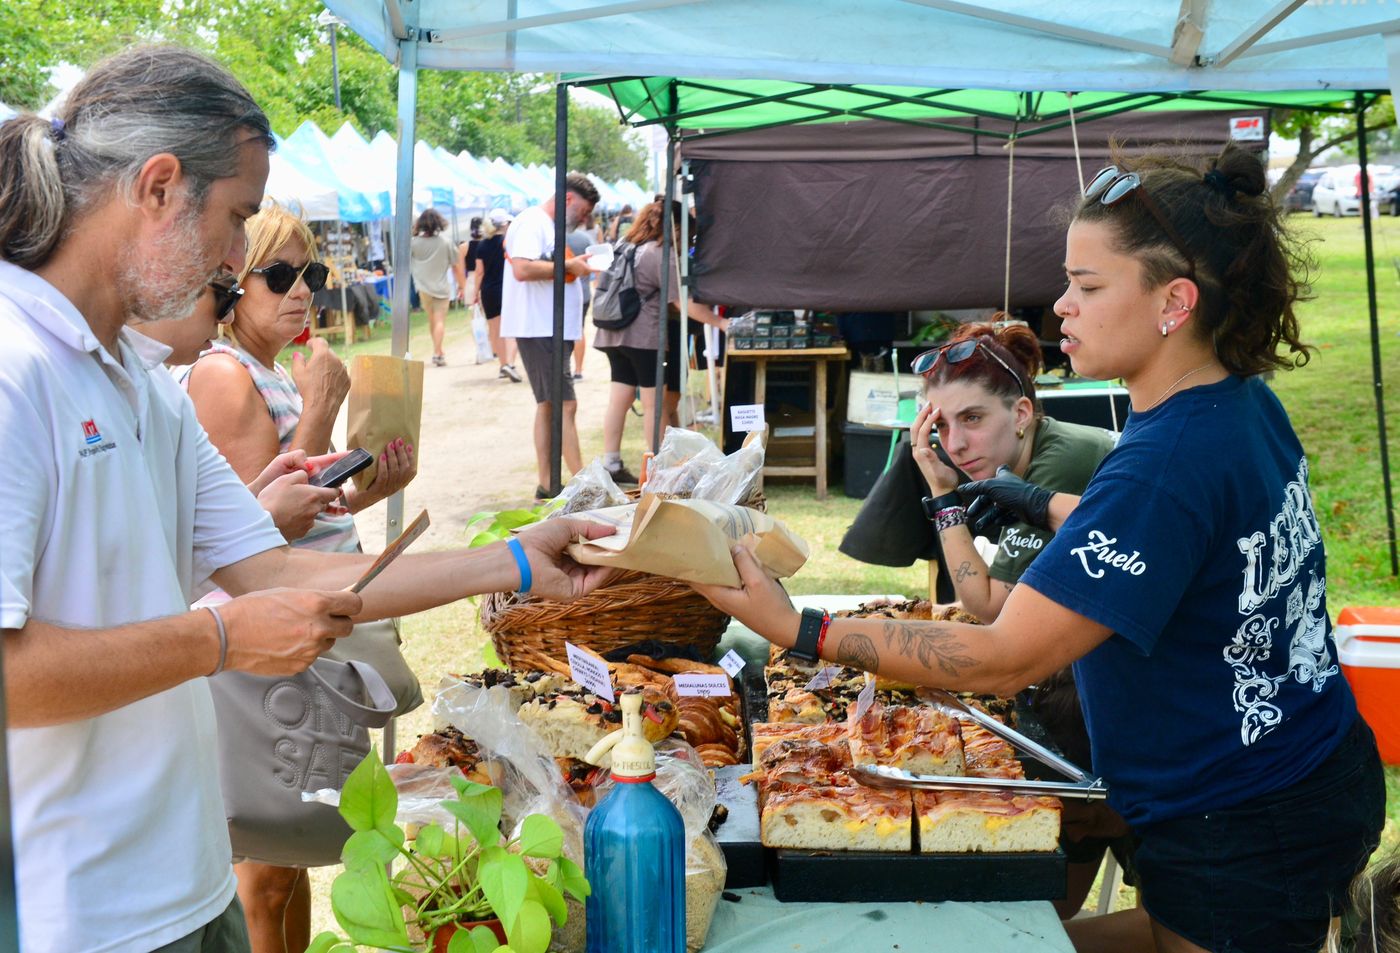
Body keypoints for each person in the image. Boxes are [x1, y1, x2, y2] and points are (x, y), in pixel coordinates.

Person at [694, 143, 1385, 953]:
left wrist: (800, 628)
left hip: (1245, 817)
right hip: (1306, 764)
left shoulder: (1164, 465)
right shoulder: (1239, 403)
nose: (1061, 306)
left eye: (1087, 286)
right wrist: (1030, 499)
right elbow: (1170, 535)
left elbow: (1001, 654)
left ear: (1175, 302)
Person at [0, 44, 614, 953]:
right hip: (75, 912)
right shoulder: (17, 370)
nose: (229, 258)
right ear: (160, 186)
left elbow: (276, 562)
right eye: (237, 216)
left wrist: (521, 556)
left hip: (186, 873)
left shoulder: (138, 379)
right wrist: (217, 639)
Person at [180, 204, 421, 953]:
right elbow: (253, 530)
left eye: (310, 274)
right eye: (278, 275)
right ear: (232, 285)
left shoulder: (272, 370)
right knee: (268, 861)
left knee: (307, 838)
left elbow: (311, 504)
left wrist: (371, 483)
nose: (301, 291)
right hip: (264, 642)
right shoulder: (224, 374)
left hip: (309, 625)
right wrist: (320, 409)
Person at [907, 319, 1127, 916]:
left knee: (1078, 902)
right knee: (1051, 901)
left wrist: (941, 494)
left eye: (973, 419)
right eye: (940, 426)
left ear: (1023, 413)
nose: (954, 445)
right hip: (1098, 682)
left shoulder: (1063, 461)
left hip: (1137, 706)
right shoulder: (1026, 461)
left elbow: (988, 602)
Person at [593, 200, 726, 484]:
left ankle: (612, 463)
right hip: (643, 337)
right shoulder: (660, 254)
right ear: (675, 227)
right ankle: (661, 471)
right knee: (655, 405)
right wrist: (722, 323)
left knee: (619, 399)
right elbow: (683, 303)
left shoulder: (623, 246)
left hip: (612, 333)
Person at [501, 173, 599, 498]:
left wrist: (573, 265)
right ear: (568, 199)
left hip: (550, 327)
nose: (584, 219)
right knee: (564, 404)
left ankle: (548, 484)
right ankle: (584, 485)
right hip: (539, 326)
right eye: (583, 211)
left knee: (550, 405)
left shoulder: (548, 226)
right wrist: (571, 266)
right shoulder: (532, 222)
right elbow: (523, 269)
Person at [470, 209, 520, 381]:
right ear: (505, 224)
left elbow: (479, 272)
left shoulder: (482, 245)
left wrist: (475, 292)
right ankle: (511, 363)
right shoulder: (509, 243)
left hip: (489, 290)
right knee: (511, 328)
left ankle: (502, 364)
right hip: (508, 289)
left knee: (495, 329)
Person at [410, 208, 456, 366]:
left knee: (432, 320)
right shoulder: (445, 241)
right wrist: (462, 285)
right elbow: (455, 263)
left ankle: (438, 349)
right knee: (439, 321)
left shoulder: (414, 243)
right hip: (441, 288)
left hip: (423, 288)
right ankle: (438, 353)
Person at [567, 215, 600, 381]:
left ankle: (562, 368)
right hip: (582, 293)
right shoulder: (585, 238)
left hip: (558, 293)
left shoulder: (554, 236)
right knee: (578, 331)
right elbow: (598, 264)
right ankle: (578, 370)